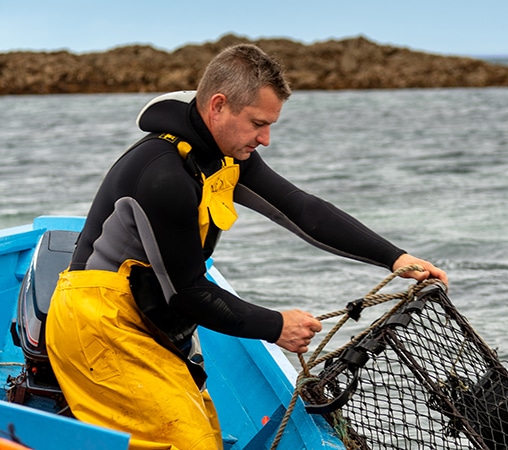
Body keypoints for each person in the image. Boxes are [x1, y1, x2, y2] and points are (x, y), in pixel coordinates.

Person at [45, 44, 448, 450]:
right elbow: (187, 292)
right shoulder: (163, 175)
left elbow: (301, 209)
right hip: (98, 323)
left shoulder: (220, 154)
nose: (266, 139)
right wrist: (276, 326)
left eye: (271, 124)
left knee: (207, 435)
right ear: (218, 106)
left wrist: (396, 258)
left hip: (150, 316)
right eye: (258, 123)